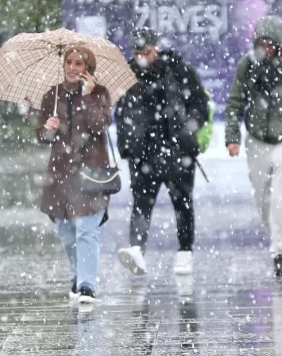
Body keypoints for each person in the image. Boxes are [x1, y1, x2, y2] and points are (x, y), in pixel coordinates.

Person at [225, 16, 282, 277]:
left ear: (279, 44)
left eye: (270, 44)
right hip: (256, 140)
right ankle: (278, 233)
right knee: (262, 199)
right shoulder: (248, 65)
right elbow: (235, 102)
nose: (265, 49)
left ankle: (280, 252)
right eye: (261, 44)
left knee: (280, 198)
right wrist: (232, 136)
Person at [114, 27, 211, 277]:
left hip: (177, 149)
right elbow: (122, 113)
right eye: (137, 53)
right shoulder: (126, 75)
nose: (142, 58)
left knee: (182, 202)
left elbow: (200, 102)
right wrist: (127, 146)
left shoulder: (178, 69)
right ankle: (137, 249)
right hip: (143, 152)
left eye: (146, 52)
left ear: (156, 47)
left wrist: (188, 131)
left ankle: (185, 252)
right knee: (141, 203)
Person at [38, 45, 113, 304]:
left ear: (88, 69)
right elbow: (42, 136)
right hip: (61, 174)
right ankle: (79, 275)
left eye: (79, 64)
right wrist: (49, 128)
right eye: (68, 62)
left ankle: (87, 287)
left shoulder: (100, 93)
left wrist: (89, 97)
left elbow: (99, 126)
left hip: (92, 172)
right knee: (66, 233)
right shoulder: (52, 95)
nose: (72, 67)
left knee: (86, 230)